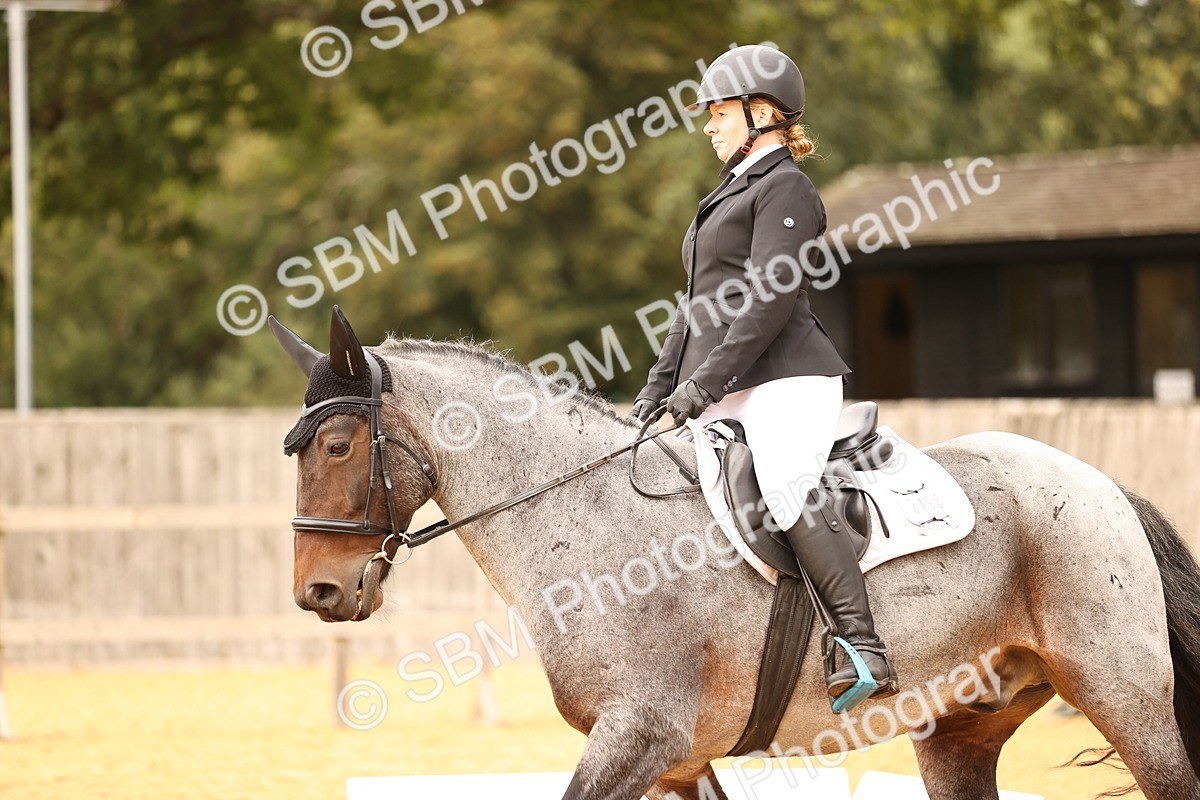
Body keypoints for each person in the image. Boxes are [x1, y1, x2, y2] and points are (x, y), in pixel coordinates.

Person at [630, 44, 897, 704]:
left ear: (762, 113)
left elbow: (770, 299)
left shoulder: (787, 189)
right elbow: (695, 307)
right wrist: (657, 388)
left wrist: (706, 383)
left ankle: (862, 645)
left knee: (782, 486)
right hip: (726, 383)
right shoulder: (727, 193)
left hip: (785, 381)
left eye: (718, 113)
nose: (708, 126)